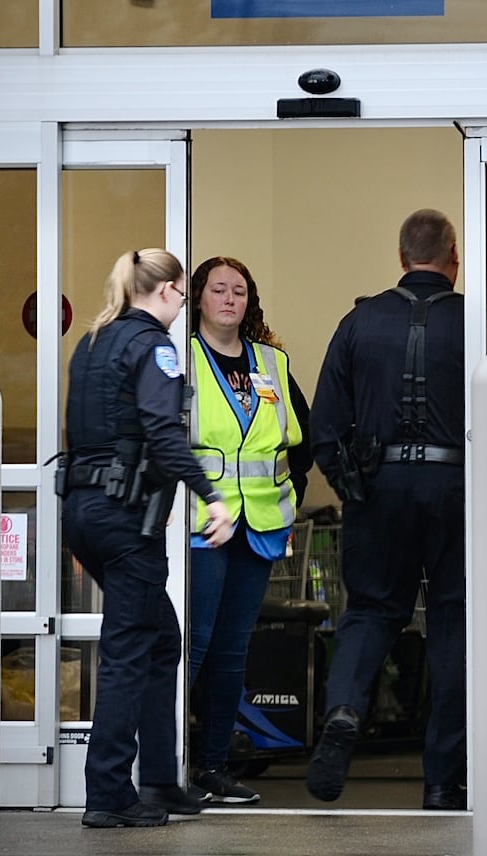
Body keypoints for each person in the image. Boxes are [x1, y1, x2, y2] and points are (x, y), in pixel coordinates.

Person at [305, 209, 487, 811]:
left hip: (380, 486)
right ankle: (443, 781)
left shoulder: (359, 321)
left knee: (370, 611)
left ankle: (345, 708)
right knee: (453, 622)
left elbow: (325, 424)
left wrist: (354, 489)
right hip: (456, 488)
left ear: (401, 258)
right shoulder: (481, 322)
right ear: (454, 255)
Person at [60, 248, 235, 829]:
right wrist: (212, 497)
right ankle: (109, 794)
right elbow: (162, 431)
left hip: (84, 512)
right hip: (127, 518)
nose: (182, 309)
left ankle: (159, 780)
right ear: (165, 293)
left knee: (162, 640)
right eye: (184, 297)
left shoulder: (91, 343)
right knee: (128, 651)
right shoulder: (152, 346)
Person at [185, 256, 312, 804]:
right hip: (200, 527)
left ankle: (213, 769)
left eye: (239, 290)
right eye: (219, 289)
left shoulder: (272, 362)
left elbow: (298, 446)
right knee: (197, 644)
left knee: (234, 650)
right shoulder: (179, 357)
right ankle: (165, 766)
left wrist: (290, 508)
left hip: (259, 526)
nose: (230, 299)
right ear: (198, 298)